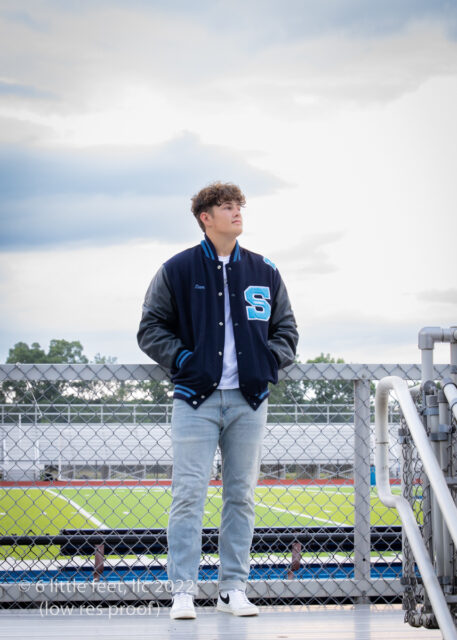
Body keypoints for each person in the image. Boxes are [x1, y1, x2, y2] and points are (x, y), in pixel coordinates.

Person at [137, 181, 298, 619]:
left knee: (241, 496)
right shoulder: (177, 269)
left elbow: (287, 330)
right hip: (196, 399)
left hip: (249, 399)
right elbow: (150, 328)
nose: (237, 212)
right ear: (205, 218)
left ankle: (233, 589)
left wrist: (266, 362)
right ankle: (183, 591)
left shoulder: (264, 270)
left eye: (239, 205)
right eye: (227, 207)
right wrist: (186, 360)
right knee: (188, 496)